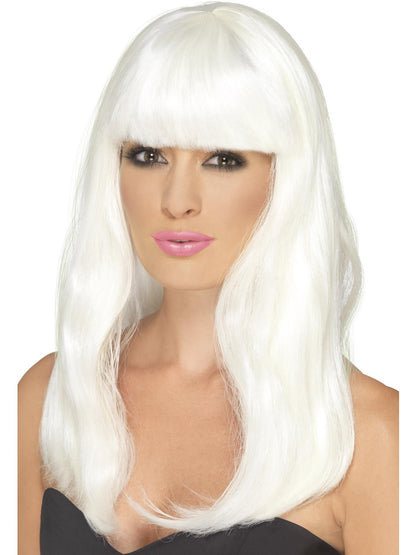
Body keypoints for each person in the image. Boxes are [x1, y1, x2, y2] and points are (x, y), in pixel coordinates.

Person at [18, 2, 399, 554]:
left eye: (222, 159)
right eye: (148, 154)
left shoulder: (371, 433)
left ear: (284, 177)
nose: (177, 200)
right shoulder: (50, 396)